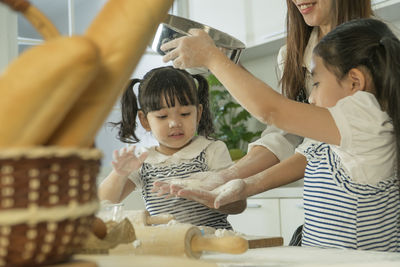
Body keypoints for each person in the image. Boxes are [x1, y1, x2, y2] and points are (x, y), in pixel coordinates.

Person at [158, 18, 400, 250]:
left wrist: (212, 57)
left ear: (355, 82)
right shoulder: (338, 130)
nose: (312, 97)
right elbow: (307, 157)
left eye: (316, 83)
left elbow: (272, 111)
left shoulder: (366, 118)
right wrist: (242, 185)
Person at [98, 66, 246, 229]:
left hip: (214, 243)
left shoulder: (212, 150)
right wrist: (120, 174)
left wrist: (208, 196)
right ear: (144, 120)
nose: (175, 123)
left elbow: (239, 205)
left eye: (184, 114)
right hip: (168, 246)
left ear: (198, 113)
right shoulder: (143, 160)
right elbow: (103, 203)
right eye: (162, 116)